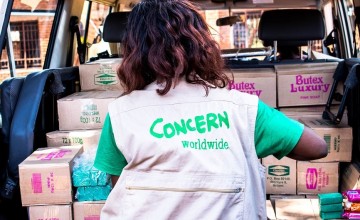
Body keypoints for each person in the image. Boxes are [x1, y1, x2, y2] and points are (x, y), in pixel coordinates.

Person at [94, 0, 327, 219]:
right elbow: (317, 147)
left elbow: (122, 188)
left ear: (133, 51)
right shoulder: (244, 110)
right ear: (200, 46)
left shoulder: (120, 114)